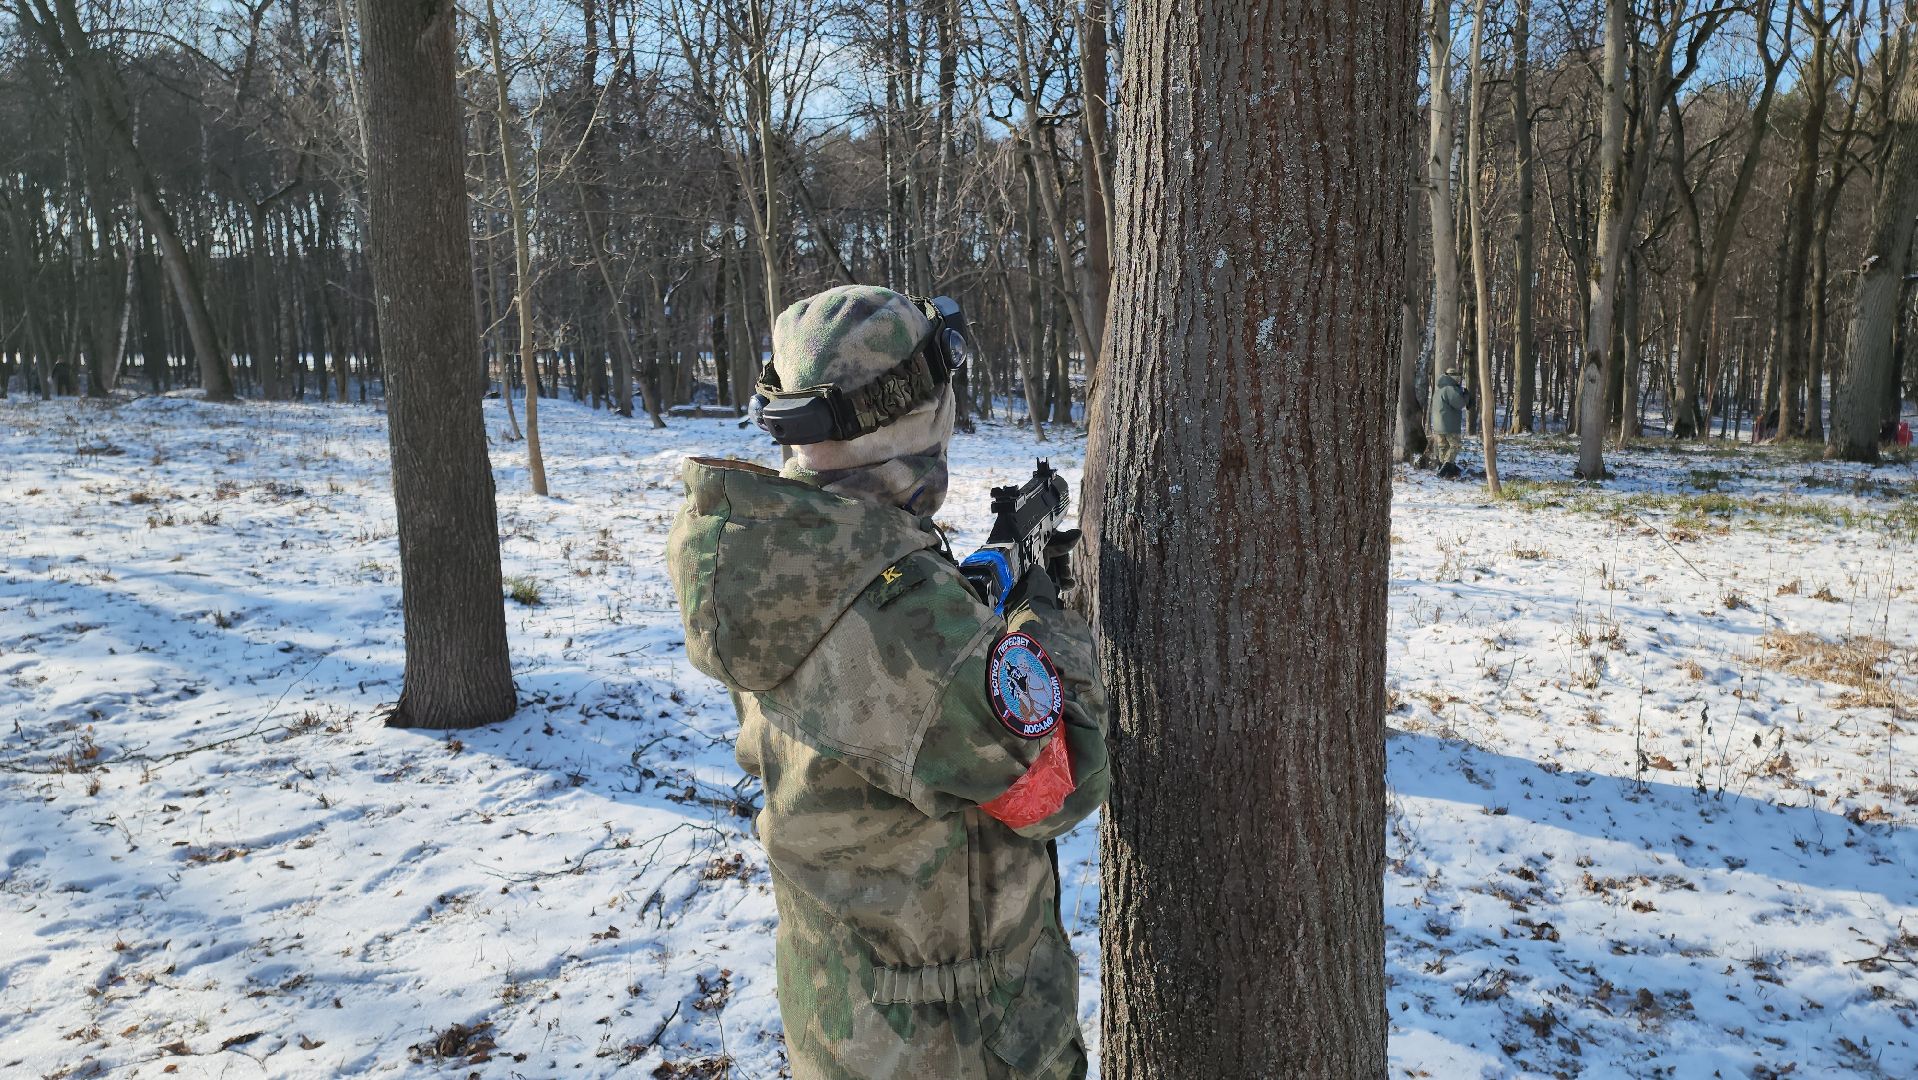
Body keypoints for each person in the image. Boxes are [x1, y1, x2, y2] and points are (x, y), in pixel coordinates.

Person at [665, 285, 1109, 1080]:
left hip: (842, 1011)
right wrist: (1043, 623)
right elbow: (1061, 788)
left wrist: (956, 609)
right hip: (953, 1040)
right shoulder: (905, 629)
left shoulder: (770, 556)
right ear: (913, 420)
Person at [1431, 367, 1474, 479]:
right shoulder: (1450, 389)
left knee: (1443, 447)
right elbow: (1459, 403)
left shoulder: (1439, 389)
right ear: (1453, 377)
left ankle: (1445, 470)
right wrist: (1466, 396)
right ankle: (1444, 469)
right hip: (1449, 424)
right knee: (1455, 445)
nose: (1459, 378)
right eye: (1458, 376)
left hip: (1438, 424)